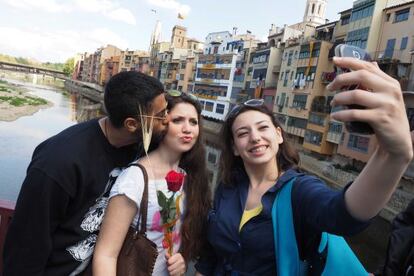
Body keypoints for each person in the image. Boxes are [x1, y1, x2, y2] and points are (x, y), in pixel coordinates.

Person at [195, 57, 413, 275]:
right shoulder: (229, 186)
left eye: (263, 128)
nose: (255, 137)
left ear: (278, 135)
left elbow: (343, 215)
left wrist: (393, 155)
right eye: (243, 133)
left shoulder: (298, 191)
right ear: (234, 148)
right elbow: (211, 254)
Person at [3, 71, 169, 276]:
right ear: (132, 124)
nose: (167, 120)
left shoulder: (139, 143)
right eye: (161, 116)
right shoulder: (58, 163)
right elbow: (24, 252)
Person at [93, 91, 211, 276]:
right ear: (162, 123)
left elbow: (176, 236)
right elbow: (106, 255)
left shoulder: (187, 176)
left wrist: (181, 258)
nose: (187, 129)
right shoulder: (135, 178)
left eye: (193, 122)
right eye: (178, 120)